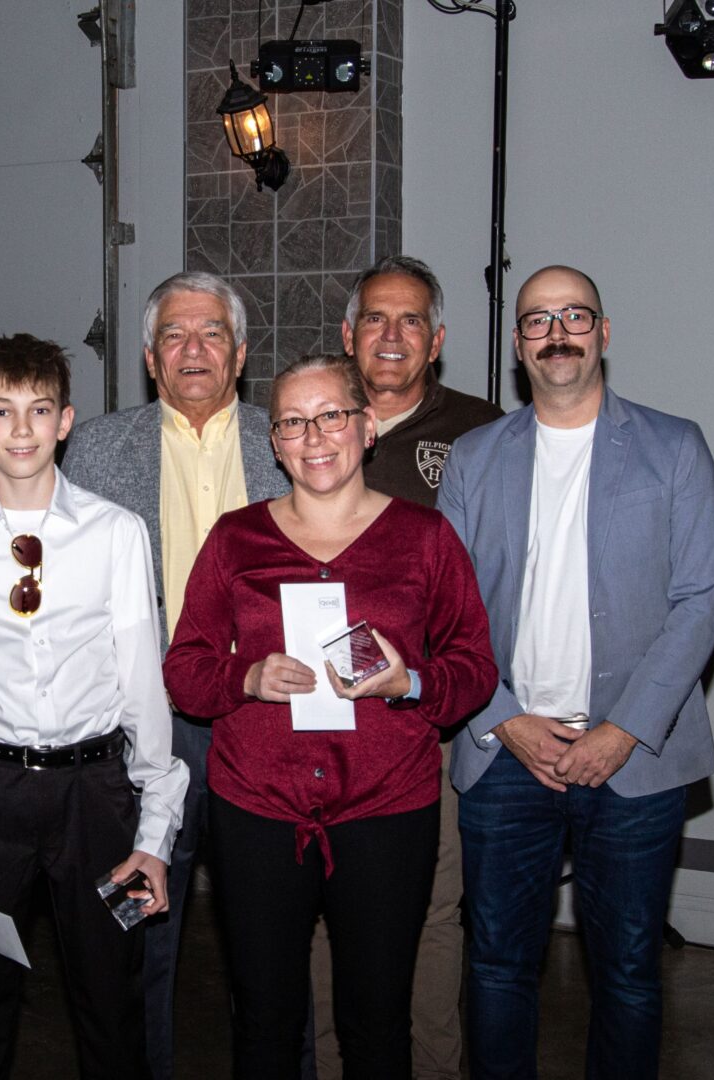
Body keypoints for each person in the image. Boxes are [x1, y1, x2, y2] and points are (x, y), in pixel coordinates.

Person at [164, 354, 497, 1080]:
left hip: (385, 808)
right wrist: (244, 676)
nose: (314, 436)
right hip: (257, 810)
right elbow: (184, 672)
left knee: (376, 1021)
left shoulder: (425, 539)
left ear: (367, 426)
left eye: (332, 416)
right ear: (275, 441)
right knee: (264, 1017)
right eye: (292, 421)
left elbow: (476, 667)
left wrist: (411, 682)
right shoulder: (234, 540)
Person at [437, 266, 714, 1080]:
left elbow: (699, 602)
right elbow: (446, 609)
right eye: (536, 321)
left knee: (629, 974)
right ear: (518, 347)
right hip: (504, 755)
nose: (555, 332)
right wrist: (503, 717)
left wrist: (622, 731)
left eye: (574, 316)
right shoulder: (473, 458)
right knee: (496, 968)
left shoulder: (676, 447)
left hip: (635, 761)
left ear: (604, 332)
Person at [0, 333, 189, 1080]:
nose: (20, 429)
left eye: (38, 410)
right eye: (2, 411)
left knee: (111, 1002)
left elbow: (142, 693)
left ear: (65, 421)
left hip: (95, 797)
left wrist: (155, 830)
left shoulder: (116, 534)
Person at [62, 270, 287, 1080]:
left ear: (241, 352)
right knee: (137, 928)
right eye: (176, 338)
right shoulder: (94, 449)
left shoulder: (285, 440)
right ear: (152, 358)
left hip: (264, 729)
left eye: (212, 334)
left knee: (269, 938)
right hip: (141, 732)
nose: (194, 351)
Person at [308, 255, 504, 1079]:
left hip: (427, 722)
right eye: (376, 320)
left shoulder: (485, 432)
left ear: (438, 340)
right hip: (313, 722)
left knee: (431, 909)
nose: (392, 336)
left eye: (411, 321)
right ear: (349, 335)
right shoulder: (307, 420)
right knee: (319, 913)